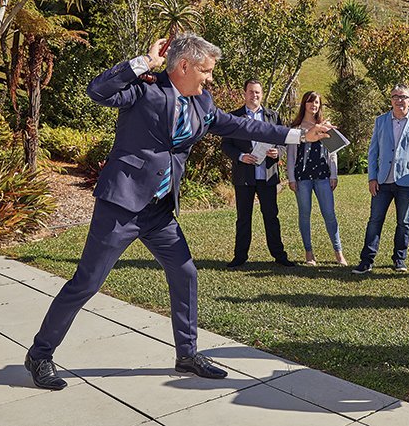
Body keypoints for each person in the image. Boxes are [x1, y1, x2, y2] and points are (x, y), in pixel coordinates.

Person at [23, 33, 331, 390]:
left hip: (159, 211)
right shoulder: (145, 89)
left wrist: (299, 135)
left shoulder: (203, 103)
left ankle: (187, 354)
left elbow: (244, 125)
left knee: (185, 273)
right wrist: (143, 63)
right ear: (184, 66)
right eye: (206, 70)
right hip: (122, 205)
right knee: (87, 282)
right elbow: (98, 91)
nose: (210, 78)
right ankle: (40, 354)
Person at [352, 84, 409, 274]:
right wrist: (372, 178)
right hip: (382, 181)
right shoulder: (381, 121)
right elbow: (373, 152)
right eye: (395, 96)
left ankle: (399, 259)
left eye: (403, 97)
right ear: (391, 100)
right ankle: (367, 260)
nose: (399, 100)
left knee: (403, 222)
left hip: (407, 181)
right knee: (374, 220)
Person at [221, 79, 294, 268]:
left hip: (267, 175)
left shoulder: (272, 116)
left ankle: (279, 256)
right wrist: (240, 156)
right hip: (244, 176)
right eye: (251, 92)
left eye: (258, 92)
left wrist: (278, 152)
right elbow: (226, 145)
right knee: (243, 218)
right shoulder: (234, 117)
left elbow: (283, 141)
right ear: (244, 93)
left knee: (271, 217)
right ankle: (240, 257)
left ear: (262, 94)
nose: (255, 95)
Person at [286, 91, 347, 266]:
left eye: (317, 102)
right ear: (304, 104)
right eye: (310, 102)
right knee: (304, 214)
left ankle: (338, 253)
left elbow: (333, 153)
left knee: (329, 214)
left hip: (323, 176)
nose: (313, 105)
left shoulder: (324, 127)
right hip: (302, 177)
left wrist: (333, 174)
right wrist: (291, 178)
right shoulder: (296, 128)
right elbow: (291, 156)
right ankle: (309, 253)